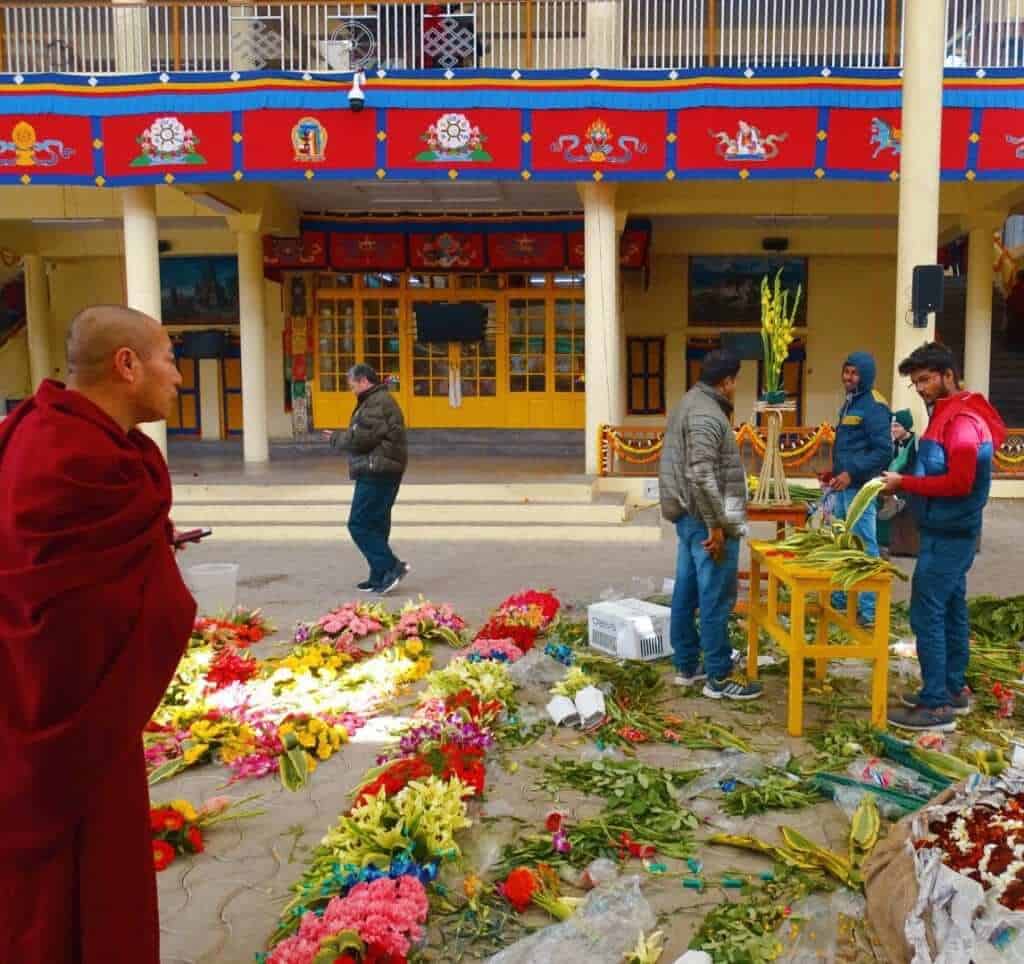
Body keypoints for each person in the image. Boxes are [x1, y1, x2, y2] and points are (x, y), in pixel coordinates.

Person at [0, 305, 196, 963]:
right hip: (62, 711)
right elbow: (58, 605)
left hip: (75, 711)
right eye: (169, 356)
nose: (179, 375)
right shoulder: (66, 456)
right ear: (127, 364)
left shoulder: (48, 434)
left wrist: (148, 555)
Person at [882, 342, 1007, 732]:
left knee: (927, 610)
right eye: (916, 381)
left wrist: (906, 482)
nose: (920, 388)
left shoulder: (964, 421)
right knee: (951, 607)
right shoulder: (946, 414)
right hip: (943, 529)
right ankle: (953, 689)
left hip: (951, 533)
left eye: (926, 379)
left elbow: (960, 481)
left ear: (948, 375)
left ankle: (936, 704)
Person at [659, 349, 761, 701]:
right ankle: (718, 675)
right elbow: (701, 473)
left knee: (687, 593)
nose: (735, 388)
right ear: (727, 381)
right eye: (735, 382)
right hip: (706, 521)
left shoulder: (690, 401)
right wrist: (717, 526)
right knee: (716, 596)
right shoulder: (706, 414)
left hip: (690, 517)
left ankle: (687, 665)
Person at [327, 363, 409, 594]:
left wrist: (335, 438)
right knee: (376, 523)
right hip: (385, 468)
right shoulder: (377, 400)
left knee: (359, 523)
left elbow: (360, 439)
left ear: (363, 380)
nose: (351, 389)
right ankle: (379, 576)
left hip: (377, 470)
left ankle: (391, 566)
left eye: (352, 384)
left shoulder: (377, 402)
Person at [828, 351, 892, 624]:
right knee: (843, 543)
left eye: (854, 373)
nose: (848, 377)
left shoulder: (874, 406)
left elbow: (883, 451)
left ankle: (869, 612)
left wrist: (850, 472)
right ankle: (842, 601)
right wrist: (834, 472)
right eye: (846, 371)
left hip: (861, 488)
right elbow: (849, 445)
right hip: (844, 486)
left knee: (865, 546)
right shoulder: (851, 403)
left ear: (865, 375)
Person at [878, 409, 916, 527]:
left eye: (897, 426)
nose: (893, 430)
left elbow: (915, 471)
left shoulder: (917, 444)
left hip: (908, 492)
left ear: (906, 426)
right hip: (892, 488)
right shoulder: (892, 445)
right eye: (892, 426)